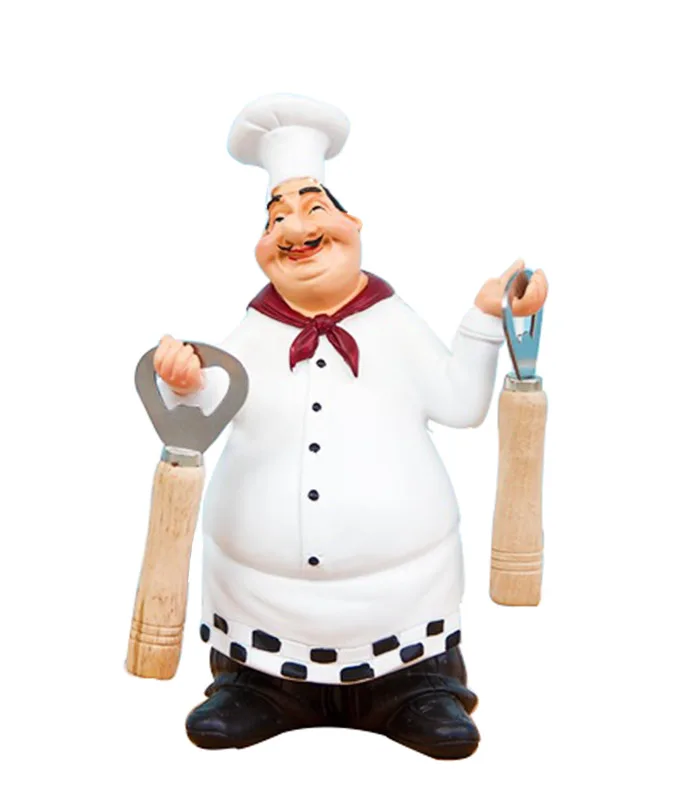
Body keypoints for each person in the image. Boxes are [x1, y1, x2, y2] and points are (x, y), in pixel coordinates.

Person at [153, 94, 548, 759]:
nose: (293, 229)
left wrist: (487, 318)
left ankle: (416, 691)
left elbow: (461, 403)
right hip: (260, 601)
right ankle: (255, 690)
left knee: (409, 669)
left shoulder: (392, 322)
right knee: (257, 670)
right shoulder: (254, 330)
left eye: (313, 209)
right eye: (275, 218)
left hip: (399, 599)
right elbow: (210, 406)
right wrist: (184, 379)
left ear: (353, 224)